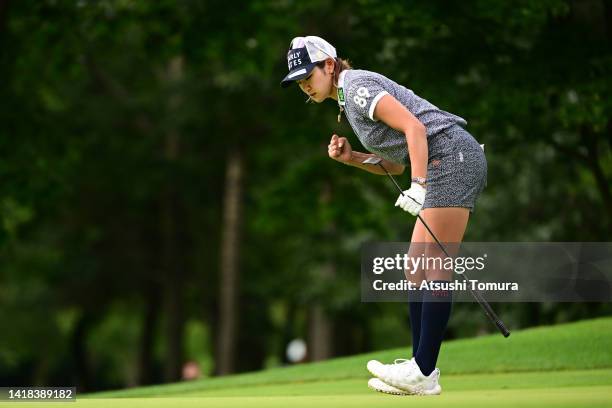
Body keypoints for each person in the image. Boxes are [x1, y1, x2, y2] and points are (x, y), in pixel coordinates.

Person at [280, 36, 487, 396]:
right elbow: (394, 162)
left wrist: (419, 185)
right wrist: (353, 158)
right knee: (415, 267)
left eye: (307, 76)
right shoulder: (346, 100)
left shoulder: (356, 86)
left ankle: (423, 372)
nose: (304, 86)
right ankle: (420, 368)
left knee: (436, 263)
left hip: (453, 159)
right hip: (442, 162)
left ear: (329, 65)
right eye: (299, 81)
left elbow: (416, 129)